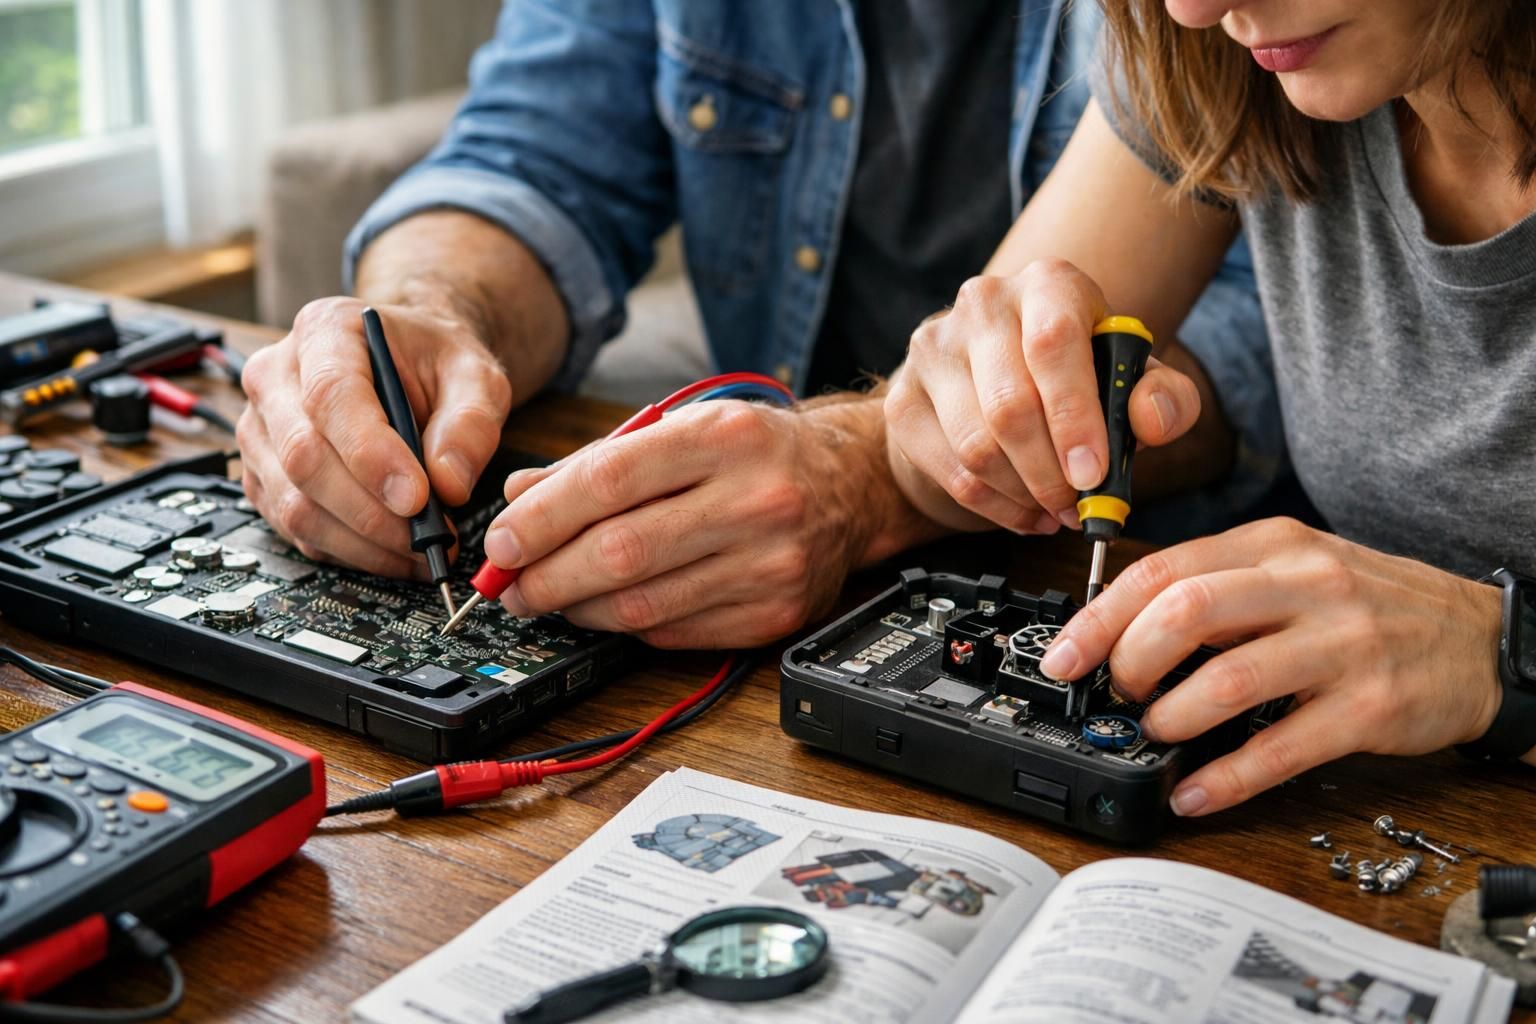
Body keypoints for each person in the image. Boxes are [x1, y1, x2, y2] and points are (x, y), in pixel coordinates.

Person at [236, 1, 1276, 649]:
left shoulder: (1203, 34)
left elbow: (1267, 337)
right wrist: (427, 310)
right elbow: (536, 152)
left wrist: (864, 474)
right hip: (763, 548)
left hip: (1122, 568)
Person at [885, 0, 1536, 816]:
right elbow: (964, 432)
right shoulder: (1227, 62)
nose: (1195, 10)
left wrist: (1498, 660)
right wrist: (945, 420)